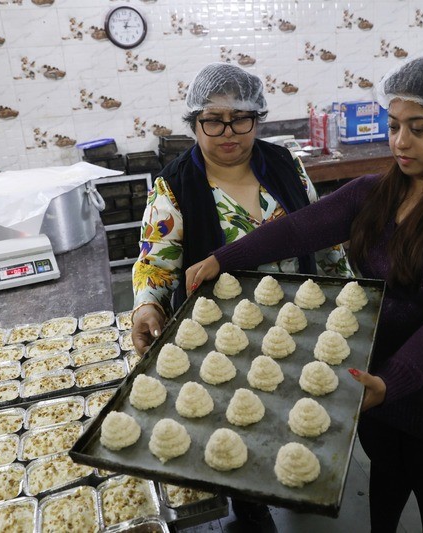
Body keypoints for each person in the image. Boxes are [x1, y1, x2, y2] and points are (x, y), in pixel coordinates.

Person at [185, 55, 423, 532]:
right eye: (394, 125)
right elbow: (299, 229)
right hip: (376, 381)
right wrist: (223, 258)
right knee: (386, 486)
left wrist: (389, 382)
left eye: (419, 129)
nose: (400, 141)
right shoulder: (376, 192)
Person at [130, 62, 352, 531]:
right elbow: (156, 262)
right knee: (239, 417)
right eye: (213, 120)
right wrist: (147, 304)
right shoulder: (174, 186)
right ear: (194, 123)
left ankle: (296, 469)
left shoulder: (285, 164)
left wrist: (347, 293)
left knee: (295, 399)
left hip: (299, 322)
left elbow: (322, 232)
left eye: (241, 118)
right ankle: (249, 500)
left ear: (258, 118)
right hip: (225, 338)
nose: (228, 132)